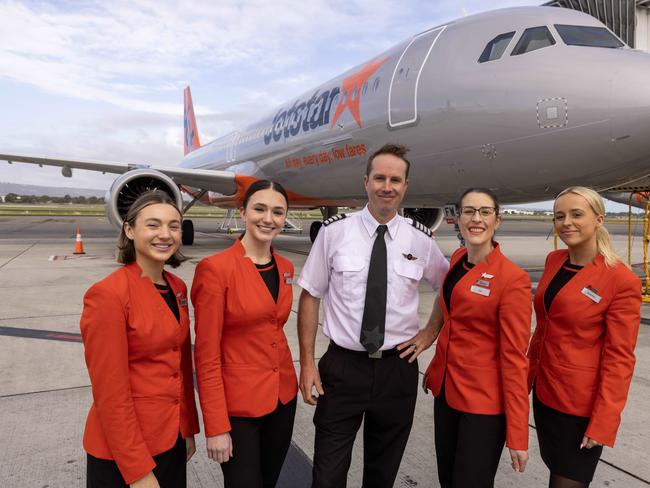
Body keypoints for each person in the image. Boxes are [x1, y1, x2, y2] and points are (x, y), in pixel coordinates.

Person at [297, 143, 449, 488]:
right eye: (379, 177)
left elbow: (448, 286)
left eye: (396, 179)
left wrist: (428, 334)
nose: (387, 186)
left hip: (398, 369)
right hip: (343, 367)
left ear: (406, 186)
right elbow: (310, 295)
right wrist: (306, 363)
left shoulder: (420, 239)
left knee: (382, 474)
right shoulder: (334, 232)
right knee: (327, 475)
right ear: (366, 181)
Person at [80, 190, 199, 488]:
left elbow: (181, 366)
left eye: (174, 226)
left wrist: (186, 428)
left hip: (169, 438)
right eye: (153, 225)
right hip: (125, 452)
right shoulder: (108, 294)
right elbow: (110, 392)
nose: (165, 234)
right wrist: (138, 470)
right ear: (130, 230)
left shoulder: (177, 287)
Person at [527, 186, 641, 488]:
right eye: (559, 216)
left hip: (579, 407)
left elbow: (620, 359)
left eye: (577, 214)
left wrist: (603, 422)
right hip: (545, 393)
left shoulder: (620, 279)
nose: (567, 222)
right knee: (554, 470)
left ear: (599, 219)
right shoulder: (555, 261)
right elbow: (544, 328)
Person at [191, 180, 298, 488]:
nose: (268, 219)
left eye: (278, 212)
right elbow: (207, 354)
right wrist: (216, 426)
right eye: (260, 209)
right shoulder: (216, 269)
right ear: (242, 212)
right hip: (238, 408)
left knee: (269, 481)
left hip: (281, 399)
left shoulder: (286, 266)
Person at [423, 188, 531, 488]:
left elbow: (515, 358)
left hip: (483, 406)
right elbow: (448, 309)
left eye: (485, 212)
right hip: (446, 394)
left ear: (497, 220)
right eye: (469, 211)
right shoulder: (458, 258)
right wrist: (429, 345)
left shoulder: (513, 280)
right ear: (457, 218)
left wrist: (518, 434)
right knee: (448, 479)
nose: (476, 218)